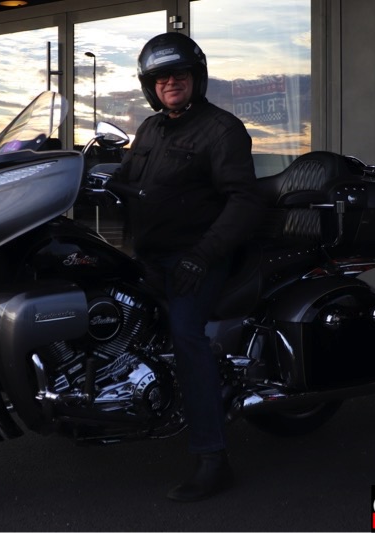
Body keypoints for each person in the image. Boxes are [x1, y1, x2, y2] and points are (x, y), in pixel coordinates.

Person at [112, 32, 265, 501]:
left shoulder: (222, 129)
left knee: (185, 334)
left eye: (178, 74)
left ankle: (212, 457)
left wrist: (201, 257)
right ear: (149, 85)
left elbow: (244, 200)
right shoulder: (150, 130)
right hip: (150, 256)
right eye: (160, 77)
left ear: (196, 77)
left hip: (196, 256)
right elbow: (125, 181)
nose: (170, 82)